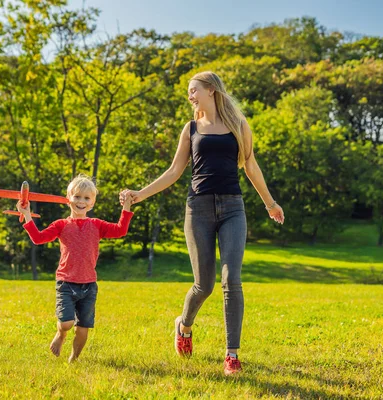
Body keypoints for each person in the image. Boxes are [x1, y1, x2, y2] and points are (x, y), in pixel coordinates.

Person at [119, 71, 284, 375]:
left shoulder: (238, 125)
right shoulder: (191, 128)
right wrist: (139, 194)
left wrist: (270, 203)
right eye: (189, 92)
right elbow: (173, 172)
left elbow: (250, 164)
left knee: (231, 280)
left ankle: (231, 354)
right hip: (198, 210)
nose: (190, 96)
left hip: (233, 207)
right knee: (203, 284)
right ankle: (183, 326)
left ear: (211, 90)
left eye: (193, 90)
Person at [17, 174, 134, 362]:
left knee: (83, 328)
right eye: (77, 196)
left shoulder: (97, 225)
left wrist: (126, 206)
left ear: (92, 203)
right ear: (68, 199)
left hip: (89, 285)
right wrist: (27, 214)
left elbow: (121, 230)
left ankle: (74, 359)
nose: (81, 201)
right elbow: (38, 238)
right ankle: (61, 334)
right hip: (66, 283)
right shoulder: (61, 225)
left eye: (86, 198)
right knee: (66, 323)